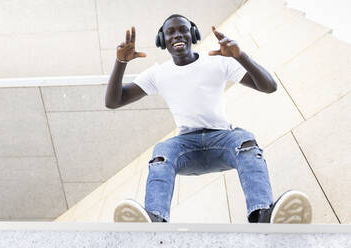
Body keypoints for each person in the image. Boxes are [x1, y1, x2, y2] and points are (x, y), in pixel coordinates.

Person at [106, 14, 312, 223]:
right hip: (185, 149)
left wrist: (240, 56)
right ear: (162, 40)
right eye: (170, 32)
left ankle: (262, 215)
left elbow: (269, 86)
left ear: (193, 34)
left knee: (245, 141)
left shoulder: (218, 62)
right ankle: (155, 220)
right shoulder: (158, 74)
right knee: (162, 151)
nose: (177, 35)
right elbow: (113, 101)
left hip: (223, 142)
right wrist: (120, 62)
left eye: (183, 29)